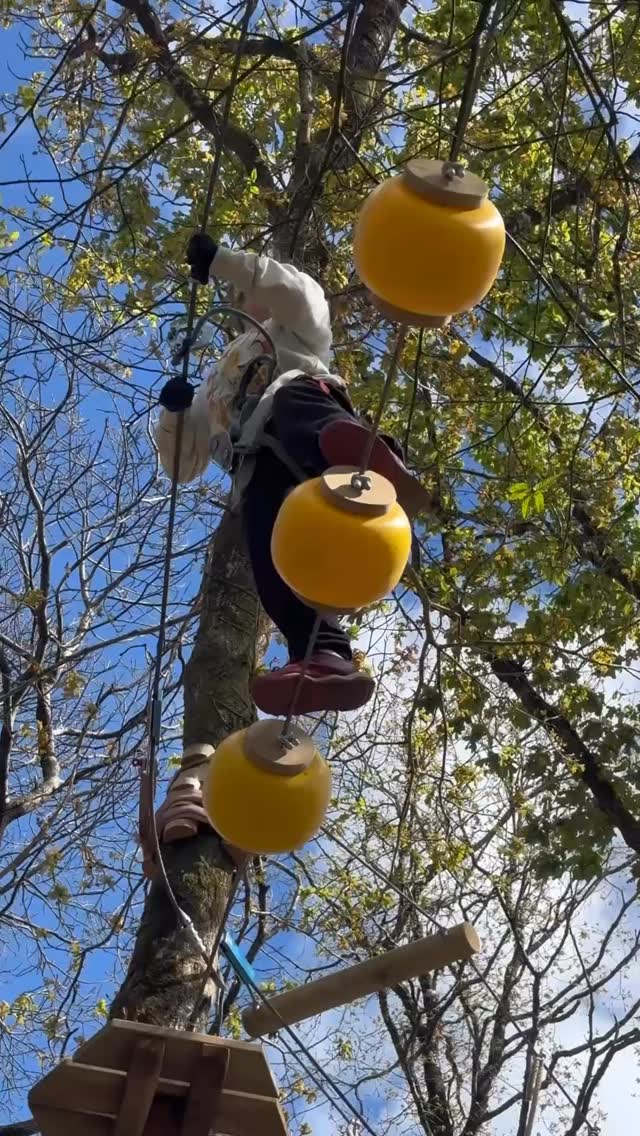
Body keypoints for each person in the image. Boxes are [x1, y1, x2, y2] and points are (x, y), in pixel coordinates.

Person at [155, 234, 432, 718]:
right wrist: (174, 415)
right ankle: (322, 655)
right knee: (273, 553)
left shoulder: (296, 331)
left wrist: (223, 262)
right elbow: (183, 466)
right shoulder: (211, 389)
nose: (244, 293)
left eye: (249, 286)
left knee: (296, 404)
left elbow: (295, 292)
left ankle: (367, 458)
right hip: (257, 466)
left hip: (302, 414)